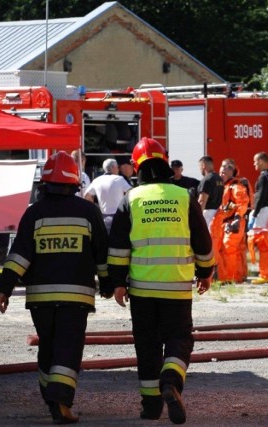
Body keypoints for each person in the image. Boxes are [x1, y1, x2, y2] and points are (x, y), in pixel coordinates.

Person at [0, 151, 110, 425]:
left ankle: (50, 395)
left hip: (41, 300)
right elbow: (102, 255)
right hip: (75, 298)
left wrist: (4, 289)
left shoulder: (34, 214)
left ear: (44, 184)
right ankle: (60, 402)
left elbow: (20, 255)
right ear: (74, 183)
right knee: (67, 349)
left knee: (48, 347)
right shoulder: (88, 212)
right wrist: (108, 285)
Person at [108, 137, 214, 424]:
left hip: (141, 291)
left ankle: (151, 407)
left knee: (147, 346)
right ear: (165, 163)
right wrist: (206, 272)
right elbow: (202, 240)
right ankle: (171, 381)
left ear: (137, 166)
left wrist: (117, 282)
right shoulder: (183, 196)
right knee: (180, 339)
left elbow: (118, 246)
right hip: (177, 289)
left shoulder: (131, 199)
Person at [247, 152, 268, 284]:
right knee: (266, 243)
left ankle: (266, 274)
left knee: (263, 244)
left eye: (255, 161)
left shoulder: (263, 177)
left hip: (262, 211)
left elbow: (260, 197)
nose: (254, 164)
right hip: (267, 209)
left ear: (261, 161)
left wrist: (254, 214)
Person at [214, 159, 250, 283]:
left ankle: (231, 278)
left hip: (234, 223)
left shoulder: (236, 186)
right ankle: (238, 276)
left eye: (228, 167)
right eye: (222, 166)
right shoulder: (223, 186)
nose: (224, 169)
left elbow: (242, 203)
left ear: (233, 171)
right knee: (235, 251)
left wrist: (237, 219)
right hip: (225, 222)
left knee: (228, 248)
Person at [84, 158, 132, 233]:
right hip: (119, 217)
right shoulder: (119, 179)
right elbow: (131, 192)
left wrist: (95, 208)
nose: (118, 170)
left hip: (103, 218)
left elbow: (87, 196)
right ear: (113, 168)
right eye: (117, 167)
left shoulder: (97, 180)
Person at [197, 156, 224, 229]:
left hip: (207, 214)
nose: (199, 169)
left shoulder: (206, 180)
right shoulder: (220, 179)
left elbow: (202, 201)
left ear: (203, 165)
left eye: (199, 167)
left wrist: (197, 217)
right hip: (218, 214)